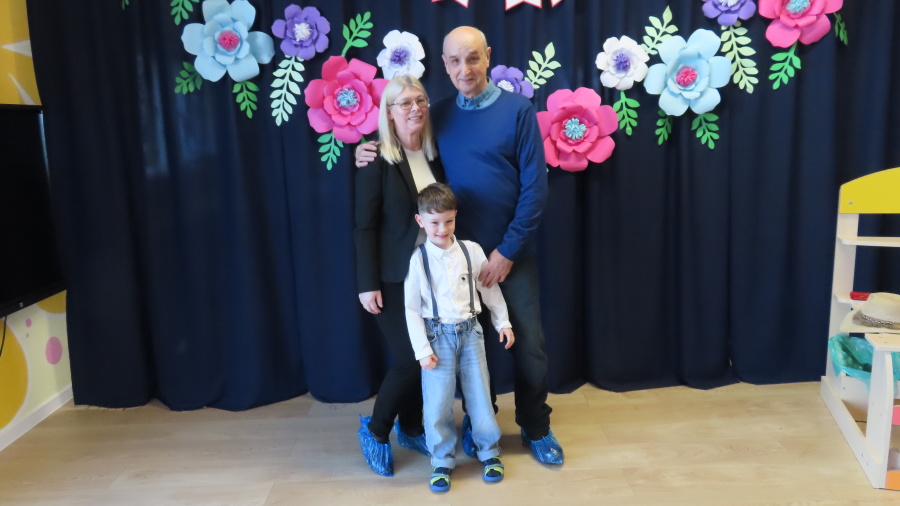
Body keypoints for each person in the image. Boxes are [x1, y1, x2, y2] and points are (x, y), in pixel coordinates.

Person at [356, 26, 564, 465]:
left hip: (509, 255)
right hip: (454, 261)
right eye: (454, 60)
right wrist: (364, 150)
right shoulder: (440, 114)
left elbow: (536, 190)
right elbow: (400, 143)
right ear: (445, 65)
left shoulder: (518, 110)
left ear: (487, 56)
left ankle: (536, 427)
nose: (464, 68)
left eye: (472, 58)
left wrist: (506, 252)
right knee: (472, 351)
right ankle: (477, 423)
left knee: (528, 344)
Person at [354, 74, 446, 477]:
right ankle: (375, 431)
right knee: (411, 359)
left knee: (430, 358)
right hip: (393, 278)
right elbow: (364, 226)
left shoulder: (435, 155)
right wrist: (367, 283)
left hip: (432, 276)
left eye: (420, 100)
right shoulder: (376, 159)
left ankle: (410, 427)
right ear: (389, 113)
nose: (414, 108)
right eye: (404, 102)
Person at [405, 182, 514, 492]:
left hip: (471, 334)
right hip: (436, 337)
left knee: (480, 395)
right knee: (437, 403)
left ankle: (489, 451)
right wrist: (422, 349)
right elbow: (412, 308)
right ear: (420, 221)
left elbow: (489, 289)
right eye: (434, 222)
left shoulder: (471, 250)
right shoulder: (418, 259)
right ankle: (441, 459)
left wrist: (503, 322)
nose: (442, 229)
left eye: (448, 221)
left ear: (455, 216)